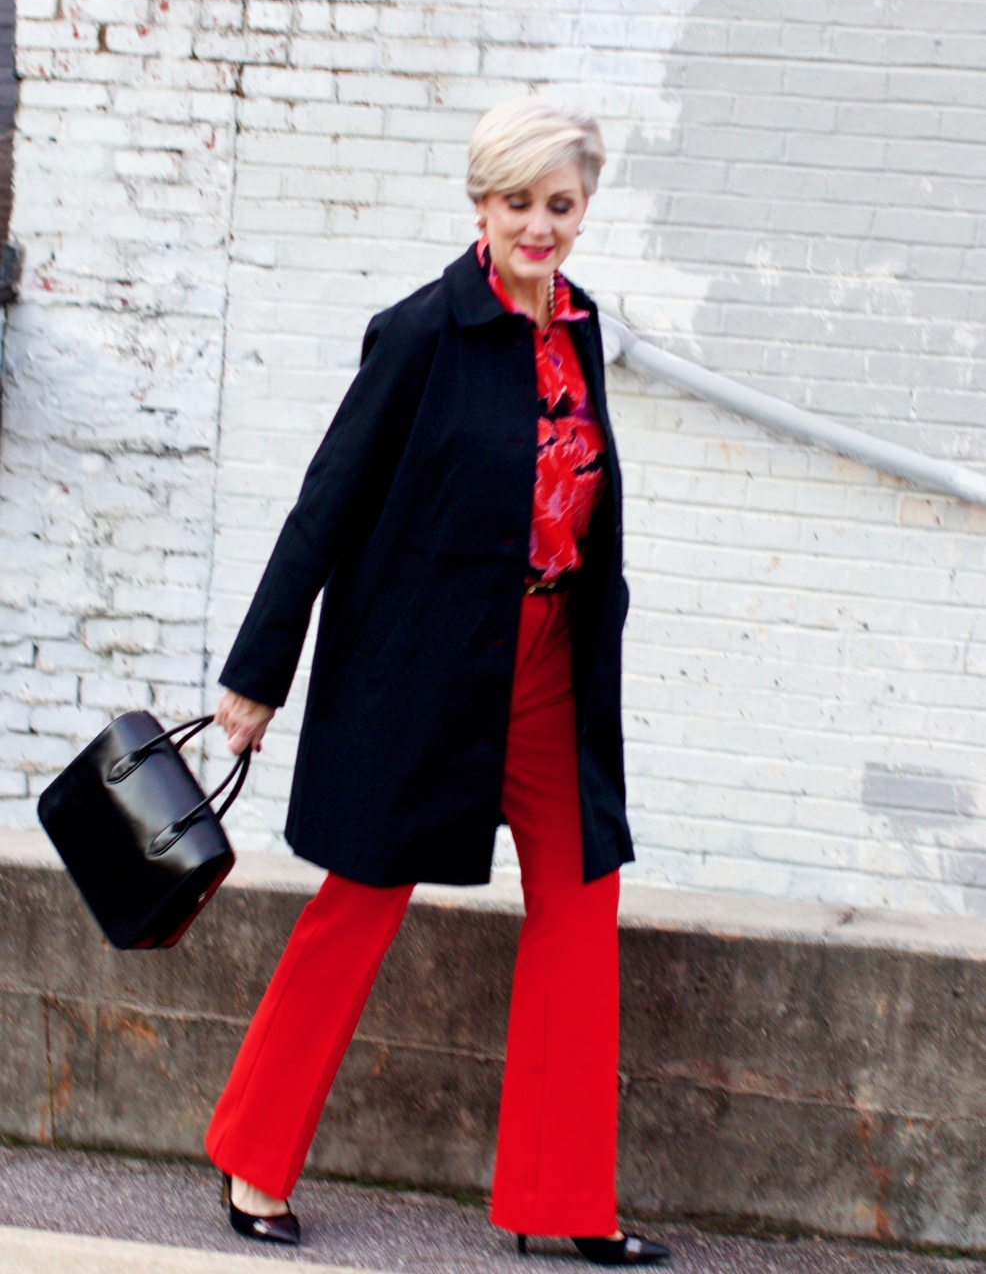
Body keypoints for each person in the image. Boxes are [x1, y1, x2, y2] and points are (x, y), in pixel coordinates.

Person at [204, 95, 670, 1267]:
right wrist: (258, 674)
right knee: (358, 900)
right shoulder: (418, 332)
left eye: (558, 206)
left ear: (580, 212)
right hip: (425, 673)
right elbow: (327, 505)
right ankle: (253, 1156)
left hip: (553, 670)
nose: (538, 226)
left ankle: (560, 1199)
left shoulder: (580, 328)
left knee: (582, 901)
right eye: (518, 203)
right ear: (481, 203)